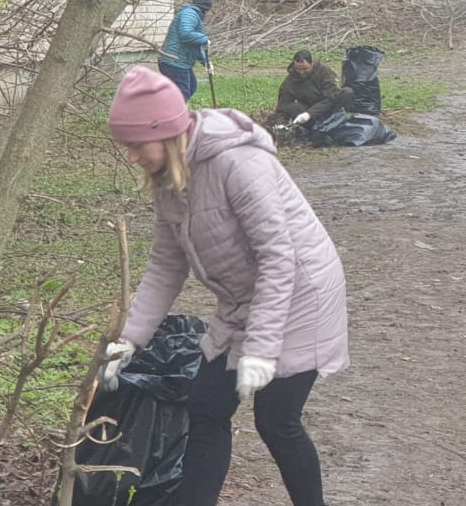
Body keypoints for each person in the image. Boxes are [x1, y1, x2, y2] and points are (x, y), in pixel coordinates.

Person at [100, 67, 348, 505]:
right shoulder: (169, 181)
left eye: (137, 145)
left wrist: (261, 349)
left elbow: (278, 257)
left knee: (277, 421)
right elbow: (164, 266)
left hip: (302, 295)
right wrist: (129, 340)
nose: (131, 157)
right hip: (243, 300)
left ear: (168, 133)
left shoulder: (239, 163)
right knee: (206, 407)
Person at [275, 50, 355, 127]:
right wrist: (280, 124)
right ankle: (313, 129)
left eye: (305, 69)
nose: (301, 72)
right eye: (298, 69)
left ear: (312, 64)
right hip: (309, 108)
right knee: (293, 107)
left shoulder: (324, 71)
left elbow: (330, 98)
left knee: (347, 92)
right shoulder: (291, 80)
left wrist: (309, 114)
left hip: (329, 107)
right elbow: (282, 106)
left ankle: (342, 122)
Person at [159, 0, 213, 102]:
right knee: (181, 94)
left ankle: (165, 112)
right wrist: (204, 39)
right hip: (174, 62)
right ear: (205, 7)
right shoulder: (190, 14)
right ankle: (173, 117)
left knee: (191, 86)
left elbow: (192, 45)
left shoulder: (192, 14)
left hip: (177, 61)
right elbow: (186, 34)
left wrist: (206, 62)